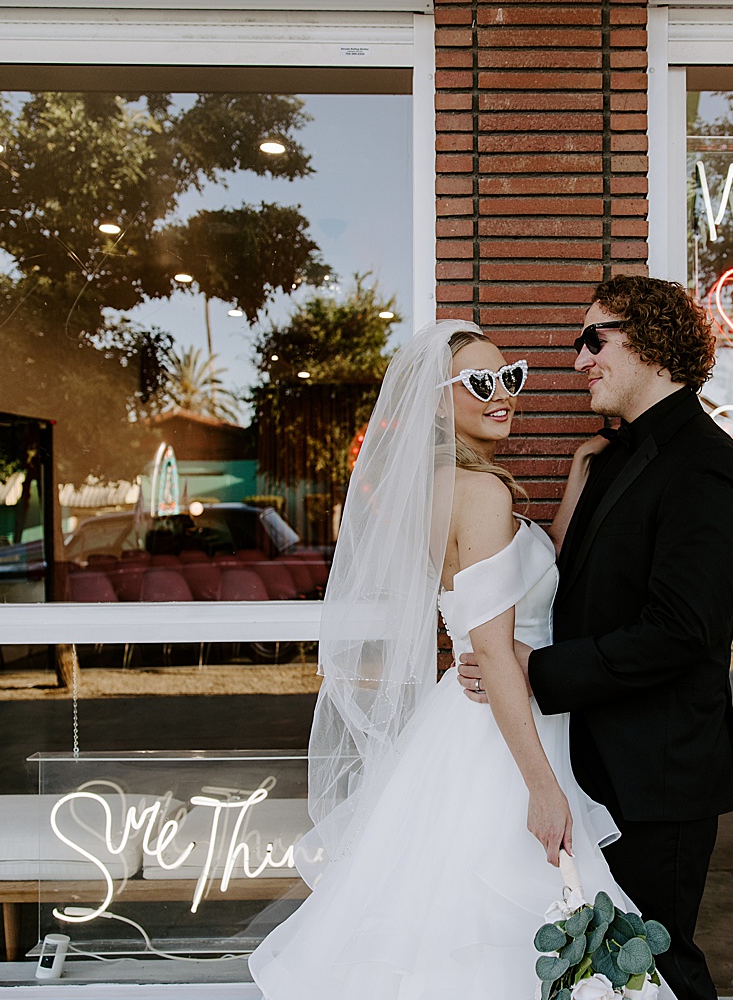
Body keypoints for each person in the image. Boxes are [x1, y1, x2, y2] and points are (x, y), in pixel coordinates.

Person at [249, 322, 650, 1000]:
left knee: (432, 919)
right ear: (441, 401)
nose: (504, 396)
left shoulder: (439, 488)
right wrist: (543, 788)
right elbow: (493, 647)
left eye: (511, 378)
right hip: (503, 727)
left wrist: (580, 472)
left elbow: (513, 587)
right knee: (505, 919)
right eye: (482, 384)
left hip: (466, 718)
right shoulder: (485, 493)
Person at [458, 278, 733, 1000]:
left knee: (657, 968)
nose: (579, 360)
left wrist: (540, 670)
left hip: (657, 778)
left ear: (653, 343)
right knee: (598, 969)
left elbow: (681, 631)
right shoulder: (615, 456)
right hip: (593, 766)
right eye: (576, 344)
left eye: (596, 338)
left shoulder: (705, 465)